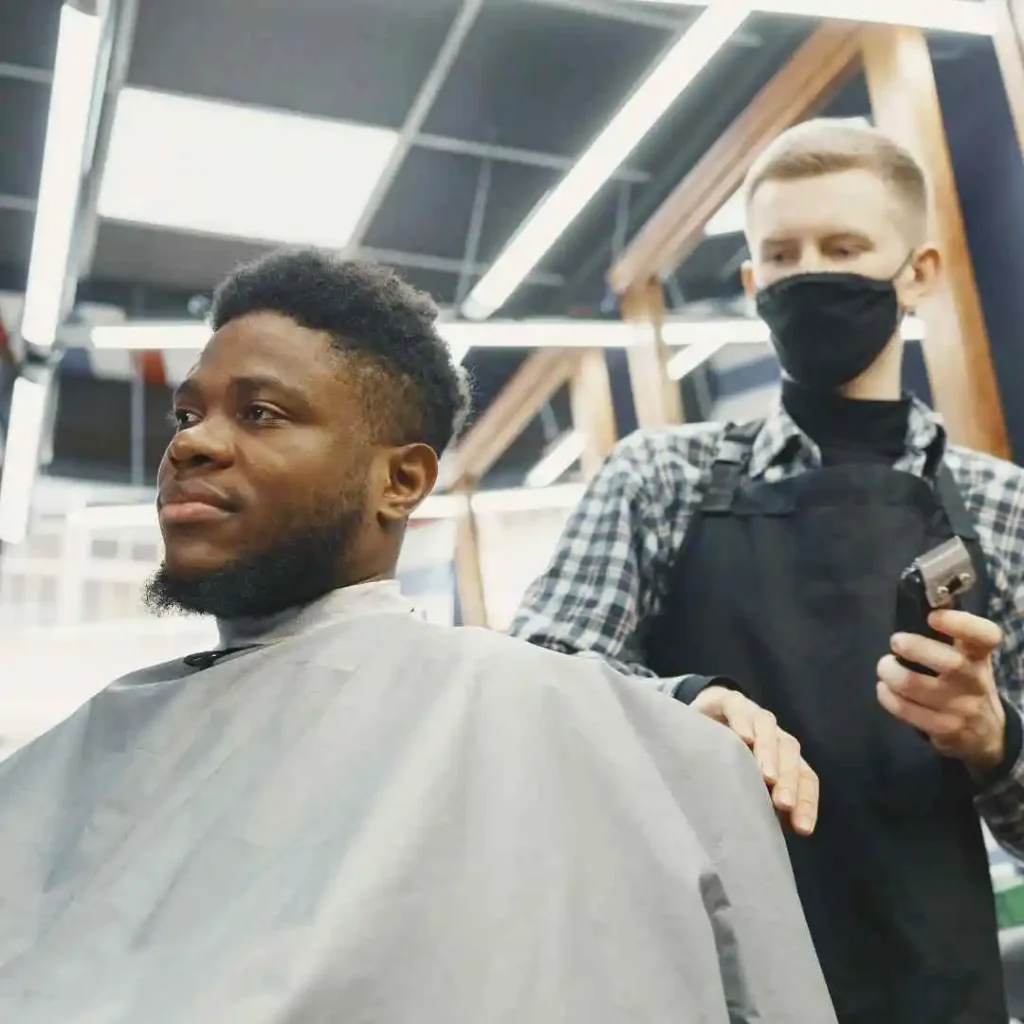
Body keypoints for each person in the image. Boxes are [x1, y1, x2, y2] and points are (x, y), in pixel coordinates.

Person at [0, 250, 836, 1023]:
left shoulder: (555, 717)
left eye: (260, 413)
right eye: (189, 412)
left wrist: (675, 713)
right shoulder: (87, 749)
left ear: (401, 480)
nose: (191, 443)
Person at [511, 119, 1024, 1024]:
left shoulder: (1001, 507)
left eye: (846, 246)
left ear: (921, 274)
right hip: (710, 988)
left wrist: (993, 740)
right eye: (782, 254)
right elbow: (534, 689)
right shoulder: (659, 480)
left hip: (937, 990)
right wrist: (674, 706)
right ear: (752, 283)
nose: (809, 273)